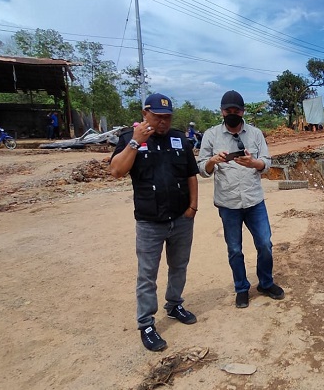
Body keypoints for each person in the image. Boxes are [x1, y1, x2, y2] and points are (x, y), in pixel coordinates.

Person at [109, 93, 200, 352]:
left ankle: (174, 305)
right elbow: (116, 171)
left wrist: (193, 207)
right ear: (145, 114)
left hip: (181, 219)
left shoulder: (180, 139)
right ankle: (146, 324)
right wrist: (135, 142)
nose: (163, 122)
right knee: (147, 275)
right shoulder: (129, 138)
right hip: (150, 222)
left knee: (179, 266)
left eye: (167, 117)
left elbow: (191, 174)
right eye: (158, 117)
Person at [197, 90, 284, 309]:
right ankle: (242, 288)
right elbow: (202, 169)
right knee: (235, 249)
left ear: (243, 111)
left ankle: (266, 283)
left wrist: (254, 163)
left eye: (236, 110)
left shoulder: (255, 134)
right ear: (221, 111)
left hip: (254, 201)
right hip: (228, 203)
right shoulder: (211, 135)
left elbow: (267, 163)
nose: (232, 114)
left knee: (265, 244)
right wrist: (212, 161)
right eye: (228, 110)